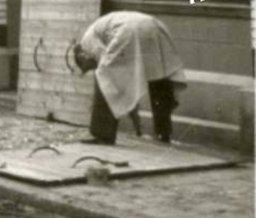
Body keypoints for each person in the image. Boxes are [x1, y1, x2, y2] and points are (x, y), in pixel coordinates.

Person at [73, 11, 187, 145]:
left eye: (88, 66)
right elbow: (126, 81)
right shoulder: (100, 31)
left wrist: (131, 113)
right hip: (155, 25)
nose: (93, 67)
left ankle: (103, 134)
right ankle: (164, 133)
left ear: (83, 56)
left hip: (130, 30)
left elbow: (110, 73)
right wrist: (134, 118)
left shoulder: (87, 41)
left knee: (104, 76)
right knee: (158, 75)